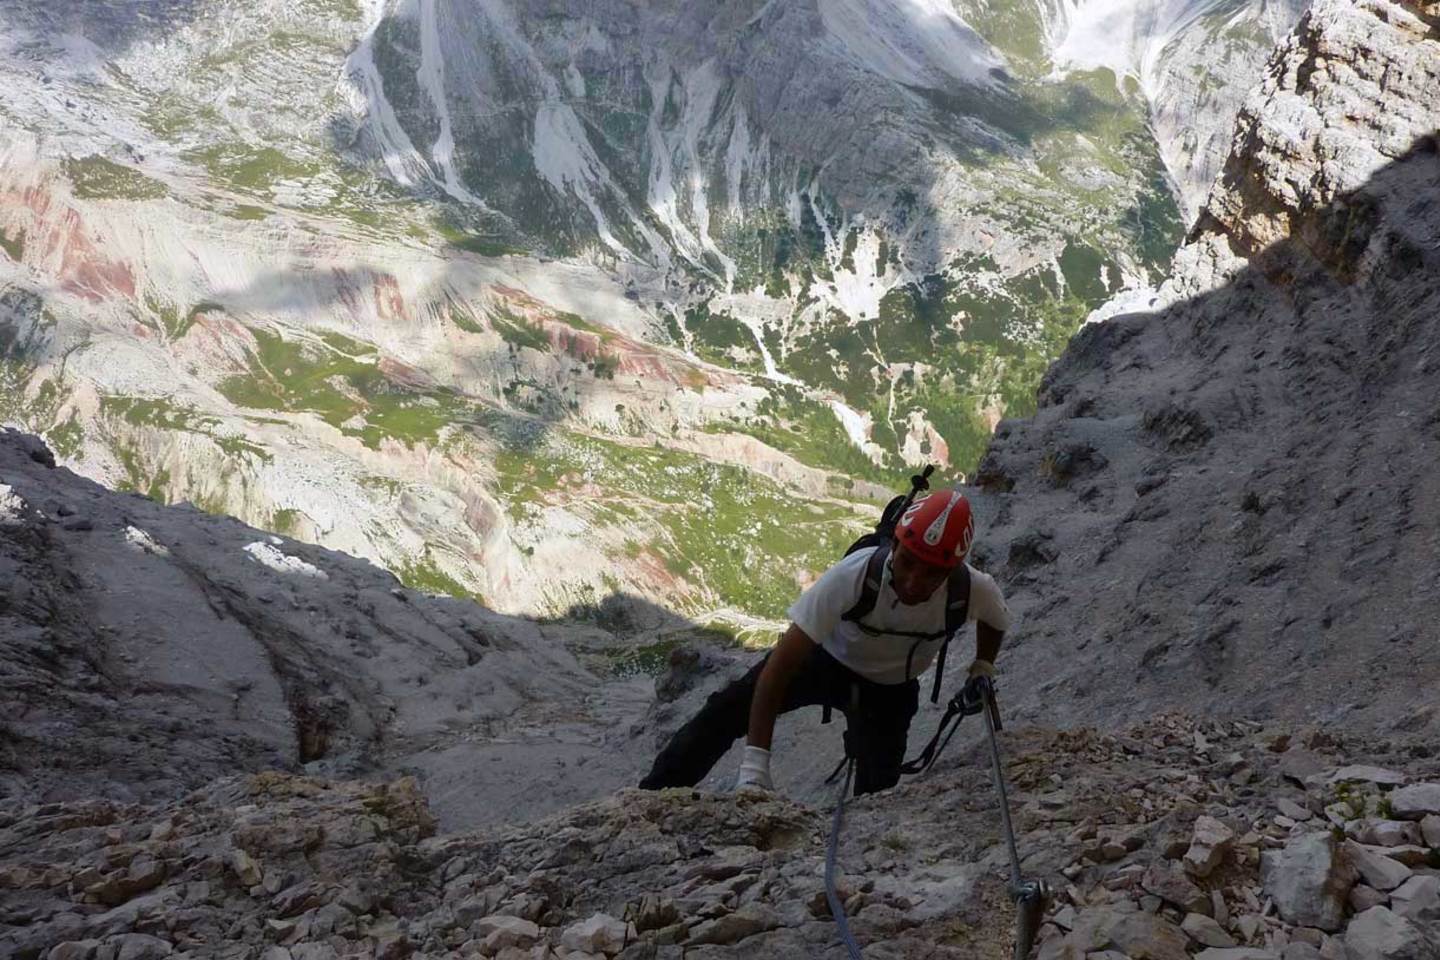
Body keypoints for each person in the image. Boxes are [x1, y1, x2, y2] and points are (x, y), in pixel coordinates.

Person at [639, 488, 1010, 796]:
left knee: (878, 791)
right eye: (908, 562)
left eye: (931, 574)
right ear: (894, 547)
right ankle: (652, 797)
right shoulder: (854, 574)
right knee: (724, 712)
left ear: (952, 570)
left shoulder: (972, 588)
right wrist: (755, 768)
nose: (914, 581)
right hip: (824, 663)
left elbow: (996, 620)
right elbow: (780, 666)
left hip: (889, 692)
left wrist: (983, 666)